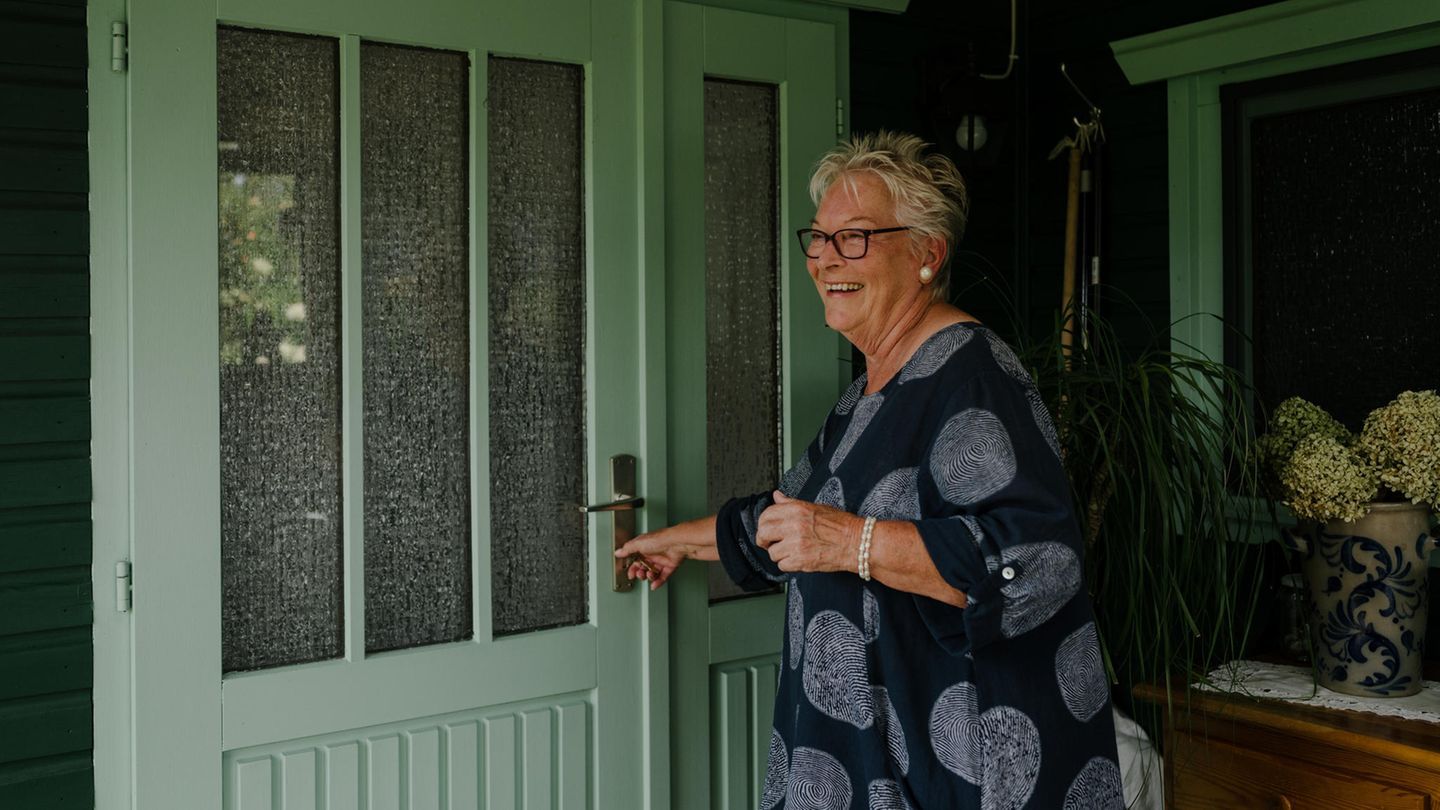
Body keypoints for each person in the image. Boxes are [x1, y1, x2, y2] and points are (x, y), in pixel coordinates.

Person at [615, 131, 1122, 810]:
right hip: (860, 752)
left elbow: (1036, 561)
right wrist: (676, 541)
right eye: (818, 238)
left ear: (926, 254)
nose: (825, 259)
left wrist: (852, 542)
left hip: (954, 765)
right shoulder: (870, 389)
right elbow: (792, 522)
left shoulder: (971, 374)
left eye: (854, 237)